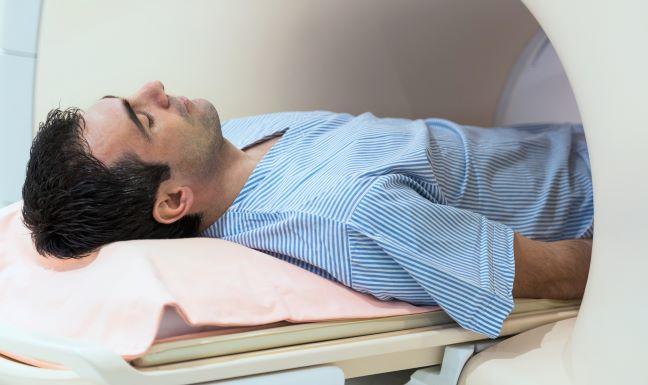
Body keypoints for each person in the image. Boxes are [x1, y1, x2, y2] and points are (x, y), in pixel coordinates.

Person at [21, 81, 593, 338]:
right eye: (146, 119)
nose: (155, 89)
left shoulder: (231, 144)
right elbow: (566, 271)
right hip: (610, 195)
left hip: (584, 137)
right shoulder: (348, 214)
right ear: (172, 201)